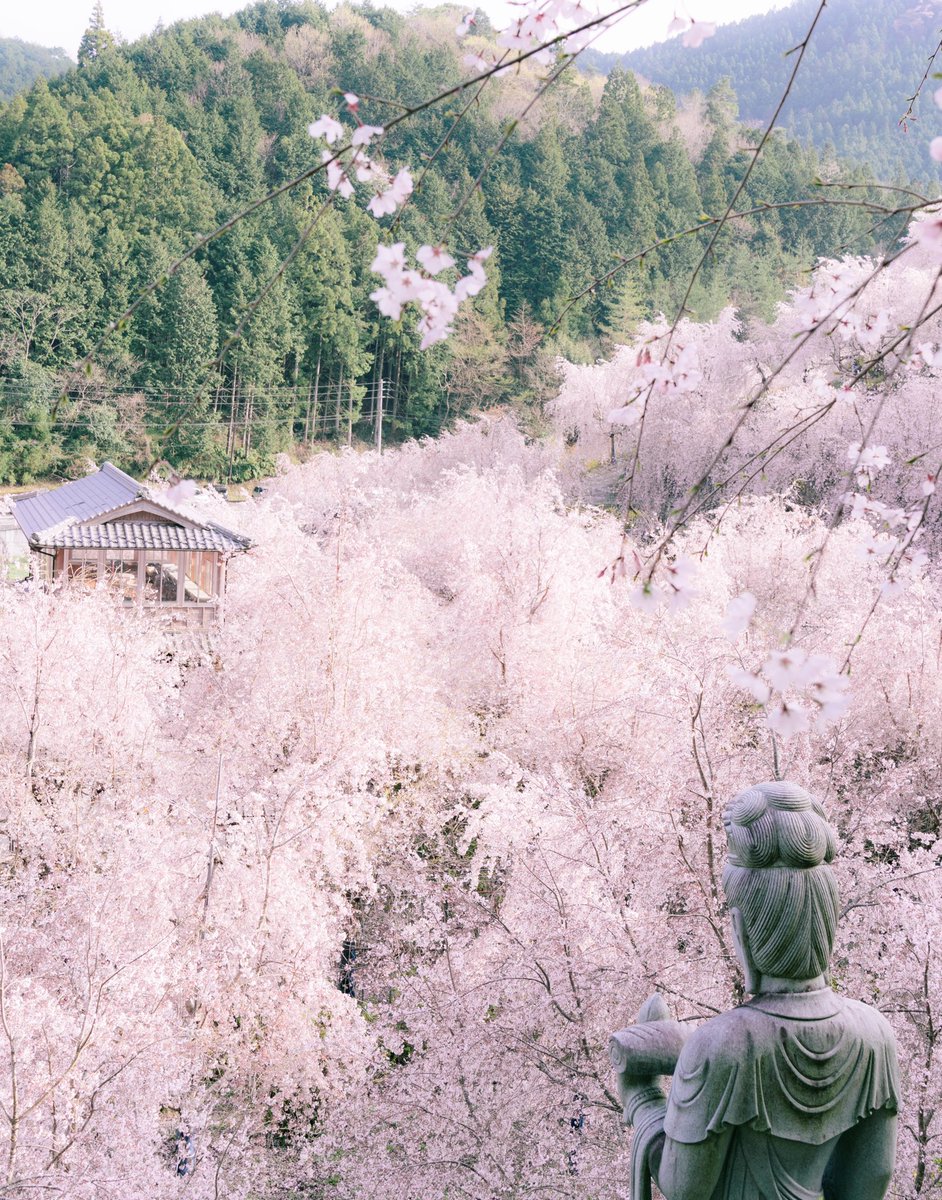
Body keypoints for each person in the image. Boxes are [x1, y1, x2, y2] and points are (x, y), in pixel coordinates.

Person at [613, 781, 899, 1200]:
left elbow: (684, 1188)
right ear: (826, 918)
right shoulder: (875, 1034)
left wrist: (643, 1099)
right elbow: (873, 1179)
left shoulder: (723, 1045)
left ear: (742, 930)